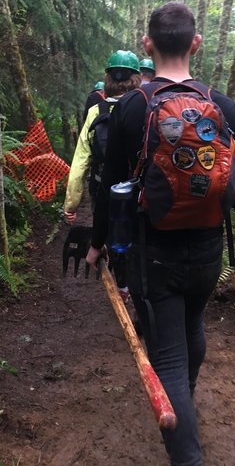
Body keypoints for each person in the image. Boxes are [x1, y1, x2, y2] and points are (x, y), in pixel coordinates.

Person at [86, 1, 235, 466]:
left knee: (168, 356)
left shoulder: (132, 108)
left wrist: (97, 245)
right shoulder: (225, 108)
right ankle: (186, 401)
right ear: (196, 44)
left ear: (147, 46)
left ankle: (187, 450)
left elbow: (110, 186)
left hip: (153, 252)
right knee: (193, 326)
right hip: (208, 250)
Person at [64, 50, 141, 301]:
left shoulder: (96, 111)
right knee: (136, 233)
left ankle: (118, 279)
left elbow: (80, 161)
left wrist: (71, 204)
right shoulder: (145, 108)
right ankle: (131, 284)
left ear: (107, 79)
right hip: (137, 188)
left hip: (102, 185)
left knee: (108, 225)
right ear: (136, 79)